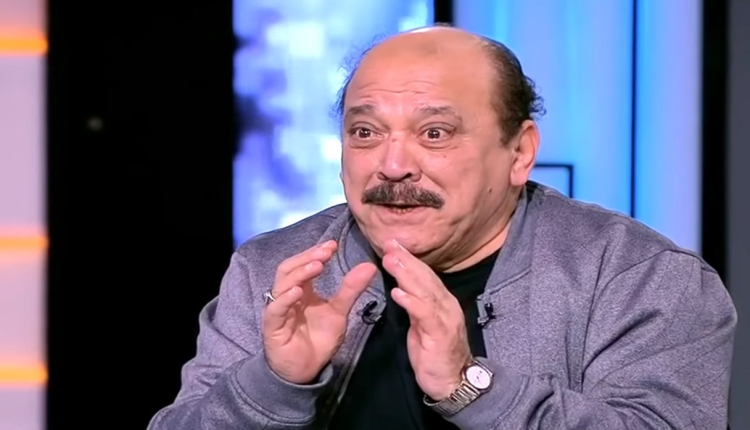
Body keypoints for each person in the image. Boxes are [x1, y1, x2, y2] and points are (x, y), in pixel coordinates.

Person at [147, 26, 737, 429]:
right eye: (365, 132)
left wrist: (470, 385)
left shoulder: (638, 279)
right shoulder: (276, 270)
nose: (392, 165)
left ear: (519, 153)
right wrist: (274, 382)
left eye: (435, 133)